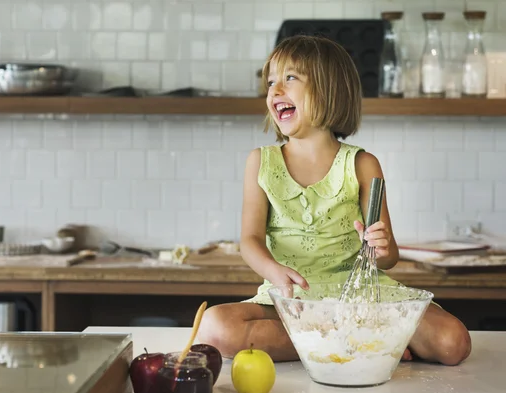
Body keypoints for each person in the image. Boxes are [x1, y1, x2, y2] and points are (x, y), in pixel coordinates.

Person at [196, 35, 471, 366]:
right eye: (271, 82)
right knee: (213, 328)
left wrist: (380, 248)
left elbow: (387, 258)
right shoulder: (260, 162)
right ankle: (366, 341)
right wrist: (275, 272)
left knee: (453, 342)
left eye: (290, 78)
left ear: (329, 90)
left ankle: (335, 339)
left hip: (362, 297)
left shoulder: (363, 165)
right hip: (292, 298)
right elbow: (249, 241)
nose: (275, 90)